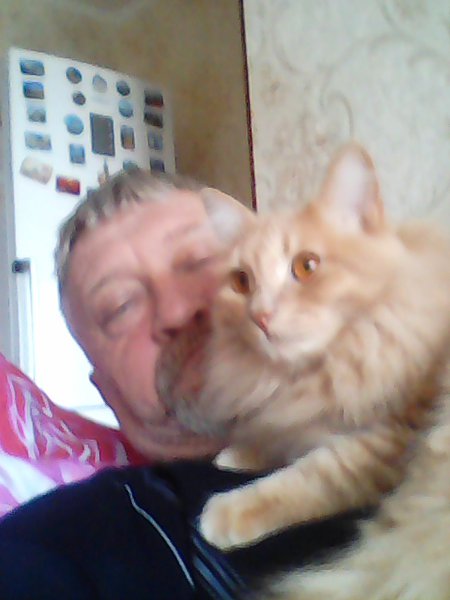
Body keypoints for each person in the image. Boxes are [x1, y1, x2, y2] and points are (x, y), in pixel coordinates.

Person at [0, 169, 365, 599]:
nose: (175, 310)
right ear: (110, 396)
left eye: (199, 262)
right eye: (121, 306)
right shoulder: (71, 541)